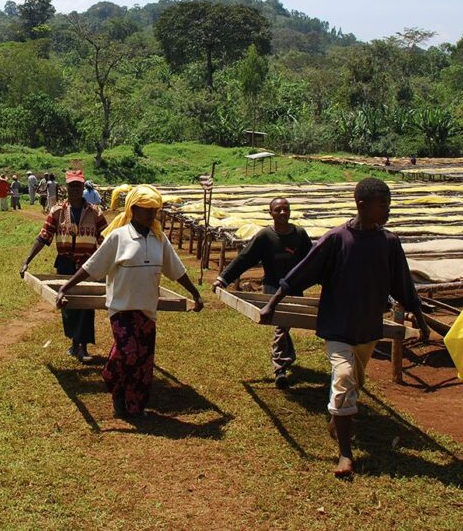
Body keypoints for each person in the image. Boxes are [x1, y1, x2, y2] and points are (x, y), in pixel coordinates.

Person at [259, 178, 429, 478]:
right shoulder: (337, 238)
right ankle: (346, 455)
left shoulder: (388, 242)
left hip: (367, 327)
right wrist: (272, 303)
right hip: (337, 325)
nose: (387, 212)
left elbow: (402, 282)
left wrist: (420, 316)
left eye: (389, 206)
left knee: (354, 384)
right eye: (383, 206)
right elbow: (302, 272)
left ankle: (336, 420)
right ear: (362, 205)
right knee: (345, 376)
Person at [54, 185, 203, 418]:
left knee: (143, 364)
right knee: (128, 353)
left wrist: (195, 293)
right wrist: (65, 287)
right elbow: (92, 266)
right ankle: (112, 382)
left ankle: (134, 407)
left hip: (147, 310)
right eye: (146, 210)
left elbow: (176, 270)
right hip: (122, 309)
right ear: (133, 209)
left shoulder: (158, 239)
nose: (151, 214)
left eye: (154, 210)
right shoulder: (118, 237)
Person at [212, 198, 312, 388]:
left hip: (295, 288)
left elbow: (313, 260)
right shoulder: (265, 236)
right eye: (278, 210)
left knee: (286, 324)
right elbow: (244, 258)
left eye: (286, 209)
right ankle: (280, 368)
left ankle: (285, 357)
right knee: (282, 324)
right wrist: (223, 278)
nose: (283, 213)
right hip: (273, 288)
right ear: (271, 213)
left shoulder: (299, 234)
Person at [20, 170, 108, 364]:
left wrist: (112, 262)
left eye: (78, 186)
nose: (75, 190)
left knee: (86, 305)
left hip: (87, 264)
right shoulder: (57, 211)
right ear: (66, 188)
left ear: (83, 188)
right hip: (65, 262)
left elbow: (108, 239)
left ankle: (83, 347)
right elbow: (44, 237)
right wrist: (27, 260)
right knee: (68, 304)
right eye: (72, 186)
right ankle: (74, 342)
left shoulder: (95, 212)